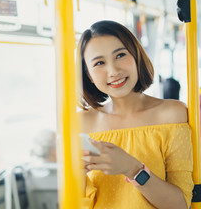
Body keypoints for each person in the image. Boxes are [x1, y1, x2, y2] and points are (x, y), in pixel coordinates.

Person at [78, 20, 193, 209]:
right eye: (99, 63)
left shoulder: (172, 114)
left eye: (120, 55)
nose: (113, 71)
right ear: (89, 75)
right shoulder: (81, 123)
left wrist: (132, 169)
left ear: (137, 56)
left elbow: (179, 204)